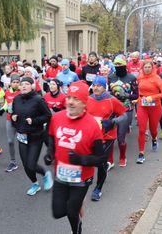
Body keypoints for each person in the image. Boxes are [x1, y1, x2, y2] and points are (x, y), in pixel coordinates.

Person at [44, 80, 105, 234]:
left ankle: (77, 229)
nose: (70, 102)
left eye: (76, 99)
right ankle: (76, 205)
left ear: (84, 103)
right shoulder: (56, 118)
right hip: (61, 174)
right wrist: (50, 153)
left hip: (82, 178)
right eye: (69, 97)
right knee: (57, 212)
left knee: (72, 212)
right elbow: (51, 138)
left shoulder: (93, 125)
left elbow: (101, 159)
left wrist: (81, 160)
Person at [87, 76, 127, 201]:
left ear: (104, 87)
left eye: (99, 85)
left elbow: (124, 115)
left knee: (101, 163)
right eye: (94, 85)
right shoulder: (88, 99)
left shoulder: (112, 100)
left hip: (107, 136)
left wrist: (112, 121)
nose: (96, 87)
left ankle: (98, 189)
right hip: (91, 136)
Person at [11, 77, 53, 196]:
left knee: (31, 164)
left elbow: (48, 116)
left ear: (32, 86)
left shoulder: (38, 99)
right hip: (21, 136)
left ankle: (45, 174)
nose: (23, 86)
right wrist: (14, 118)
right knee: (26, 166)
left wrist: (34, 121)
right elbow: (14, 114)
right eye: (21, 84)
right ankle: (35, 184)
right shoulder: (16, 99)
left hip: (35, 136)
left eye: (26, 84)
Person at [108, 58, 138, 168]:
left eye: (119, 64)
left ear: (124, 65)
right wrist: (112, 94)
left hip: (126, 108)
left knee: (121, 137)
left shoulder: (131, 77)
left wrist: (127, 96)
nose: (117, 66)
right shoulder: (111, 77)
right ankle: (110, 161)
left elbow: (136, 94)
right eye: (115, 64)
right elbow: (109, 91)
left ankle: (122, 157)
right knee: (109, 136)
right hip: (112, 108)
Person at [136, 60, 162, 164]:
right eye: (145, 67)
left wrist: (152, 97)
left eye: (149, 67)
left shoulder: (157, 79)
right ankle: (141, 153)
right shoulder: (140, 77)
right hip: (142, 106)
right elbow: (139, 91)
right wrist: (137, 99)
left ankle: (154, 138)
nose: (147, 69)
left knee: (153, 129)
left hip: (155, 107)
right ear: (142, 68)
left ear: (152, 68)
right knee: (142, 130)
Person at [0, 74, 21, 172]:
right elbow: (8, 102)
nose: (15, 84)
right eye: (14, 82)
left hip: (21, 121)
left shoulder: (22, 93)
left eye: (17, 82)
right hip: (9, 119)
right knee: (10, 141)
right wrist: (3, 109)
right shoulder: (7, 92)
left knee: (24, 142)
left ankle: (28, 160)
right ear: (10, 83)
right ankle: (13, 162)